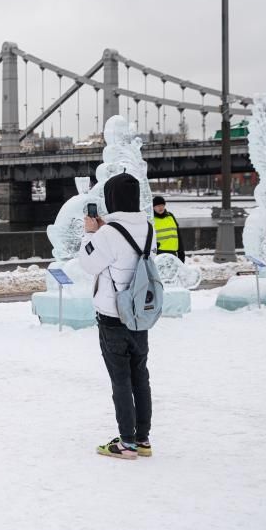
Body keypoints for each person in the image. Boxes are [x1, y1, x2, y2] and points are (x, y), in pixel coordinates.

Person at [78, 173, 153, 459]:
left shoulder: (107, 233)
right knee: (140, 377)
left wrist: (90, 233)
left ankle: (126, 443)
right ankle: (143, 439)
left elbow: (88, 263)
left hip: (112, 314)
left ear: (111, 199)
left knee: (120, 379)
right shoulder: (147, 227)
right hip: (139, 313)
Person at [152, 195, 185, 262]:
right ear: (153, 207)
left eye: (162, 205)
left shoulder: (170, 216)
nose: (160, 207)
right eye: (158, 206)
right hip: (158, 254)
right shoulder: (151, 219)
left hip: (173, 253)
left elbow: (178, 236)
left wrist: (181, 253)